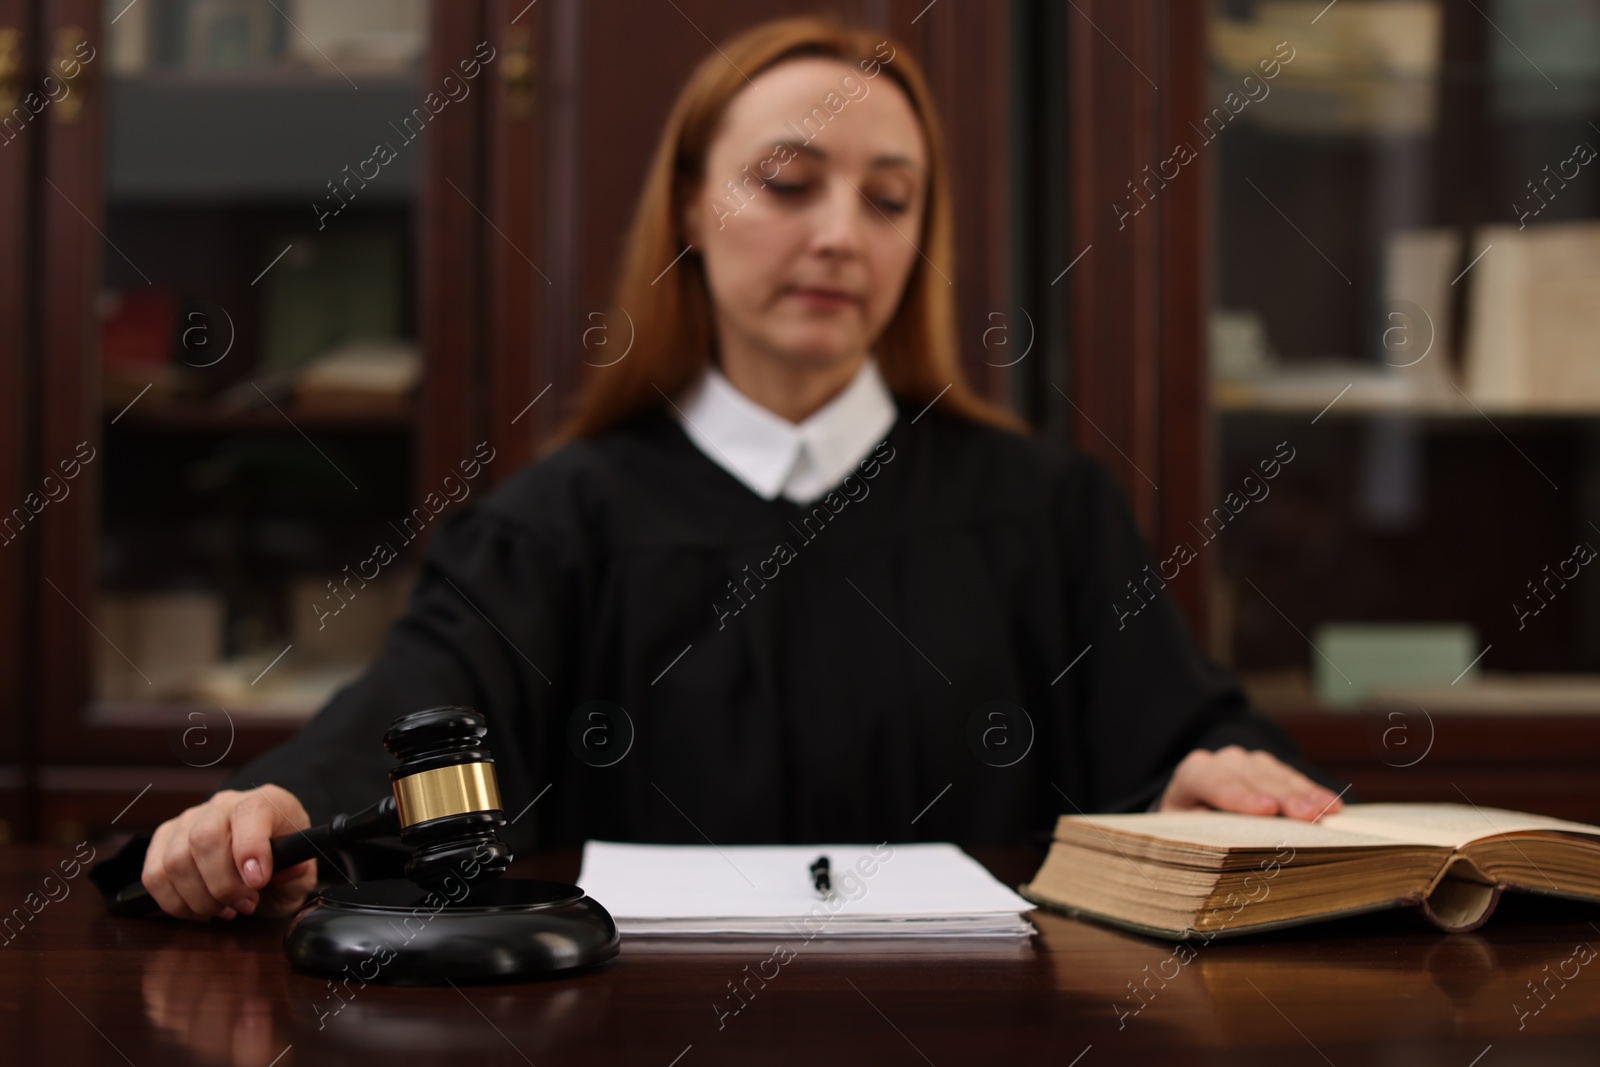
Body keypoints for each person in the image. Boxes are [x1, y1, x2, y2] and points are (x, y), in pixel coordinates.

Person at [137, 17, 1344, 922]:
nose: (839, 234)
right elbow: (410, 722)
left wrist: (1207, 783)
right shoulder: (556, 522)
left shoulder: (1043, 511)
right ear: (688, 211)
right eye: (787, 182)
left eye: (889, 199)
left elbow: (1174, 736)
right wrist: (286, 811)